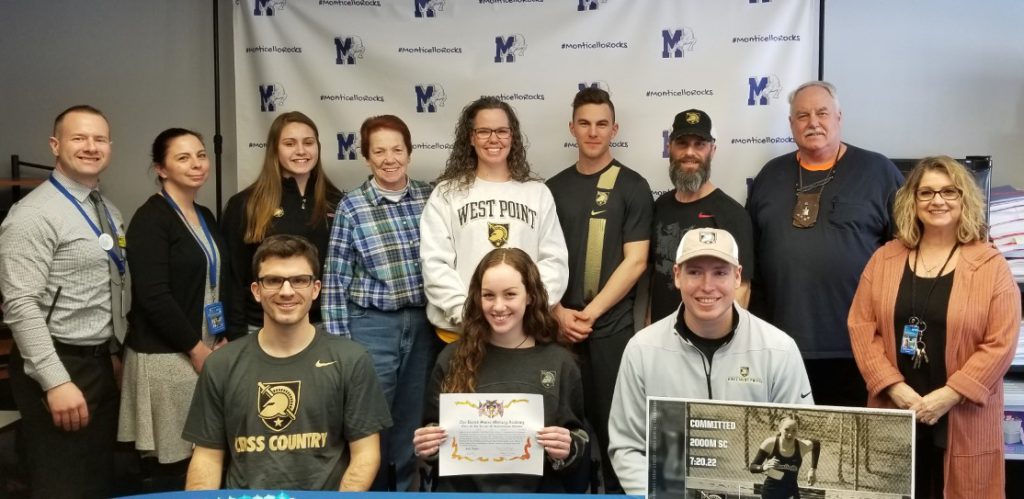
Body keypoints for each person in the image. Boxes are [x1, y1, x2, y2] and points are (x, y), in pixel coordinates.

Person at [848, 156, 1020, 498]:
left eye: (948, 192)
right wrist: (894, 387)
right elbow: (861, 326)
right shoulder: (885, 258)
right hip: (896, 406)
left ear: (964, 199)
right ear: (912, 200)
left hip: (962, 410)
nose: (937, 201)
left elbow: (1001, 342)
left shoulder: (990, 264)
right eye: (925, 192)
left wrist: (948, 395)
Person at [608, 228, 813, 496]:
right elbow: (627, 447)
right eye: (694, 272)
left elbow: (797, 441)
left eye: (720, 272)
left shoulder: (779, 350)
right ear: (677, 276)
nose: (707, 286)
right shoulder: (642, 350)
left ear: (737, 276)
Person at [182, 235, 392, 491]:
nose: (286, 291)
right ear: (256, 291)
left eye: (299, 280)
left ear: (315, 289)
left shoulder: (351, 360)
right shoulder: (221, 365)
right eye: (273, 280)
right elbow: (207, 459)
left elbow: (366, 456)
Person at [746, 81, 904, 407]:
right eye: (802, 115)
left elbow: (906, 253)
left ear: (839, 117)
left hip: (860, 347)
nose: (813, 122)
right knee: (791, 449)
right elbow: (753, 264)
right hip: (783, 346)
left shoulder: (878, 171)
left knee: (851, 451)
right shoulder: (769, 176)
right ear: (791, 124)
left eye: (822, 113)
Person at [0, 105, 130, 498]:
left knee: (96, 477)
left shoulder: (107, 209)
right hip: (58, 363)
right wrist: (55, 381)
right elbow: (20, 305)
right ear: (55, 145)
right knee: (63, 483)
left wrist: (113, 352)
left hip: (99, 362)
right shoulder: (33, 215)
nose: (91, 147)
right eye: (79, 138)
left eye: (99, 139)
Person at [322, 114, 441, 491]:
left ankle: (407, 491)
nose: (389, 159)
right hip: (372, 326)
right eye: (379, 151)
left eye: (397, 149)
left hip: (423, 325)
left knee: (412, 421)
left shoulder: (429, 197)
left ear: (409, 152)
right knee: (368, 421)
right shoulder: (352, 207)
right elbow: (335, 280)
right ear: (366, 158)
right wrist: (339, 345)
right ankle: (368, 492)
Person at [545, 87, 652, 493]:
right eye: (585, 123)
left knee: (616, 435)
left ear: (614, 129)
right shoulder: (550, 189)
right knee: (558, 436)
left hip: (610, 330)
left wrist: (590, 314)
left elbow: (637, 261)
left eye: (601, 124)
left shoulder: (633, 186)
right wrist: (558, 313)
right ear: (572, 127)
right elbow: (537, 261)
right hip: (557, 330)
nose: (593, 132)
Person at [412, 248, 588, 493]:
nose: (498, 306)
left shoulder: (559, 362)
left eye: (510, 294)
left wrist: (568, 449)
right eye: (488, 295)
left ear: (530, 296)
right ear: (477, 297)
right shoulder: (452, 358)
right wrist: (427, 444)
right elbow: (432, 432)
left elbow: (578, 440)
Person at [117, 128, 230, 491]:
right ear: (160, 169)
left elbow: (215, 283)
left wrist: (221, 336)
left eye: (200, 155)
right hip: (168, 357)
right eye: (183, 158)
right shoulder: (150, 219)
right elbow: (153, 296)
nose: (196, 164)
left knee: (206, 457)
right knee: (176, 465)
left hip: (207, 350)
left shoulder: (205, 215)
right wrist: (196, 350)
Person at [420, 96, 569, 342]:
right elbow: (435, 264)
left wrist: (526, 310)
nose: (494, 139)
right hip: (461, 334)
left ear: (513, 136)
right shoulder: (446, 194)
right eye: (484, 131)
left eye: (501, 131)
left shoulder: (537, 193)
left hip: (523, 333)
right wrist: (467, 313)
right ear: (470, 137)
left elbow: (554, 262)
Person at [223, 111, 343, 336]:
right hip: (259, 328)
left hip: (324, 328)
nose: (301, 151)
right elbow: (233, 277)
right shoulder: (246, 204)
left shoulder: (336, 202)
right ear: (274, 149)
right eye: (290, 143)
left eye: (308, 143)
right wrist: (236, 335)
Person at [650, 109, 753, 321]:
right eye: (682, 143)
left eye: (699, 144)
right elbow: (656, 281)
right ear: (669, 148)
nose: (690, 152)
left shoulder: (731, 214)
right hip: (661, 339)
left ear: (712, 150)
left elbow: (741, 289)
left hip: (708, 338)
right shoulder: (660, 206)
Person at [748, 416, 820, 499]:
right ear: (780, 429)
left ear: (797, 431)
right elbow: (752, 467)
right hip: (771, 492)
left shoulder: (801, 446)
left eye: (794, 430)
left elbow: (816, 444)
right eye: (786, 430)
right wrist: (764, 467)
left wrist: (812, 470)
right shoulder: (770, 444)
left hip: (791, 492)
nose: (790, 434)